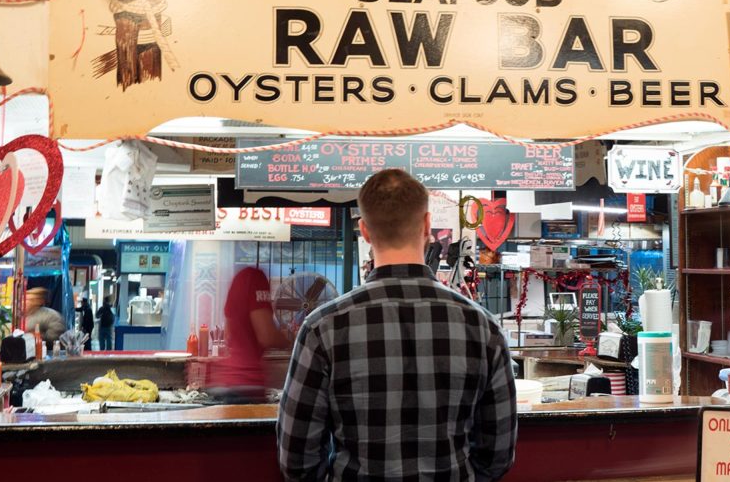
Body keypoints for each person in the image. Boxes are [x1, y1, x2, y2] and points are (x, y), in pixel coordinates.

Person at [278, 169, 517, 481]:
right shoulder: (483, 327)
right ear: (428, 226)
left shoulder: (322, 328)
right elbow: (497, 455)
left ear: (364, 230)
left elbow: (297, 460)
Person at [209, 266, 290, 403]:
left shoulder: (238, 280)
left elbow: (228, 335)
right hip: (248, 384)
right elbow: (267, 336)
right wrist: (291, 339)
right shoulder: (256, 278)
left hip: (228, 380)